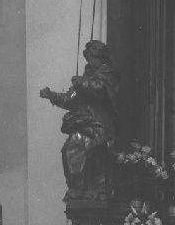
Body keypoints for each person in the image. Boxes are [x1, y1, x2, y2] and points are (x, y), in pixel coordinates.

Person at [40, 40, 119, 201]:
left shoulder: (108, 74)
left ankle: (99, 191)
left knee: (97, 151)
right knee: (69, 150)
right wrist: (52, 95)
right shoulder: (85, 77)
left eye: (93, 58)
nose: (90, 61)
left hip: (99, 124)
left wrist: (82, 83)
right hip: (82, 124)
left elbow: (100, 91)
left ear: (101, 58)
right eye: (88, 58)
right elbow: (70, 100)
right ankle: (77, 188)